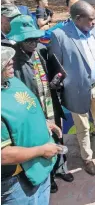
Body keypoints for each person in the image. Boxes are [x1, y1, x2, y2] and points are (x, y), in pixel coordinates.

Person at [6, 15, 73, 193]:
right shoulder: (13, 60)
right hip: (32, 110)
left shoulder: (42, 50)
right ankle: (48, 177)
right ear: (18, 40)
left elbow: (57, 71)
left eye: (35, 38)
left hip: (51, 106)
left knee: (58, 136)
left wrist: (57, 81)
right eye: (28, 39)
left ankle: (61, 168)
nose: (33, 42)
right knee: (41, 142)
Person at [50, 1, 95, 176]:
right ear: (78, 19)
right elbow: (57, 67)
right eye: (91, 20)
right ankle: (87, 158)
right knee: (83, 127)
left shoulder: (94, 31)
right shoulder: (59, 36)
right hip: (77, 91)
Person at [1, 46, 62, 204]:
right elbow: (3, 155)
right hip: (17, 183)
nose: (11, 62)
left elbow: (24, 111)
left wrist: (43, 124)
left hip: (40, 168)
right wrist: (42, 150)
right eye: (4, 61)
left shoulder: (11, 82)